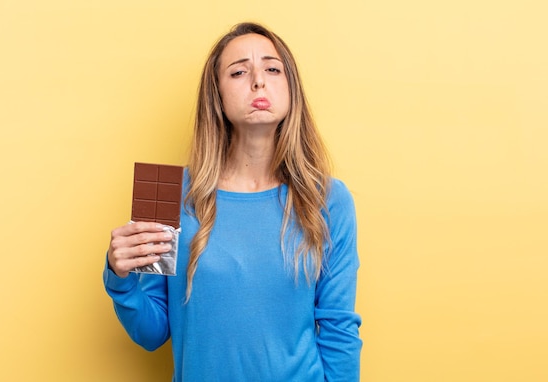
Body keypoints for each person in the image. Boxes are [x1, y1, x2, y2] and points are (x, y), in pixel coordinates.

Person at [104, 22, 362, 381]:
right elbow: (151, 333)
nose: (258, 80)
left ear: (291, 89)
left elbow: (339, 331)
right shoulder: (165, 192)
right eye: (239, 71)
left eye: (272, 69)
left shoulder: (329, 199)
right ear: (217, 96)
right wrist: (120, 278)